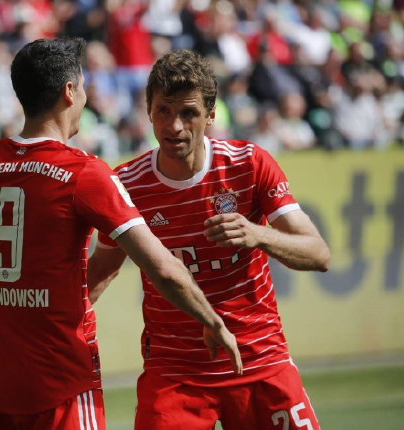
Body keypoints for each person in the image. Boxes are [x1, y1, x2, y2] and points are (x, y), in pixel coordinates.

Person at [0, 38, 240, 430]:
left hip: (1, 390)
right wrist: (214, 321)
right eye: (85, 87)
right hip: (65, 385)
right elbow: (163, 268)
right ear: (69, 92)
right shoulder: (83, 173)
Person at [89, 49, 330, 430]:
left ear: (211, 115)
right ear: (148, 111)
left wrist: (257, 234)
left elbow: (318, 254)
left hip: (259, 359)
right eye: (163, 111)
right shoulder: (127, 184)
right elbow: (100, 271)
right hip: (175, 374)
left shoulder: (249, 164)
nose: (175, 126)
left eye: (188, 113)